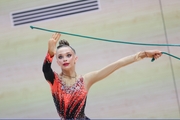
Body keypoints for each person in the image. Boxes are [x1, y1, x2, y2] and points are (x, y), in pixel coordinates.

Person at [42, 33, 162, 119]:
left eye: (68, 55)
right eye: (60, 57)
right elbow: (46, 70)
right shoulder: (55, 81)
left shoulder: (86, 80)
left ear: (75, 59)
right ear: (57, 62)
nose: (65, 59)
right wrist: (50, 54)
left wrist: (145, 54)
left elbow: (118, 64)